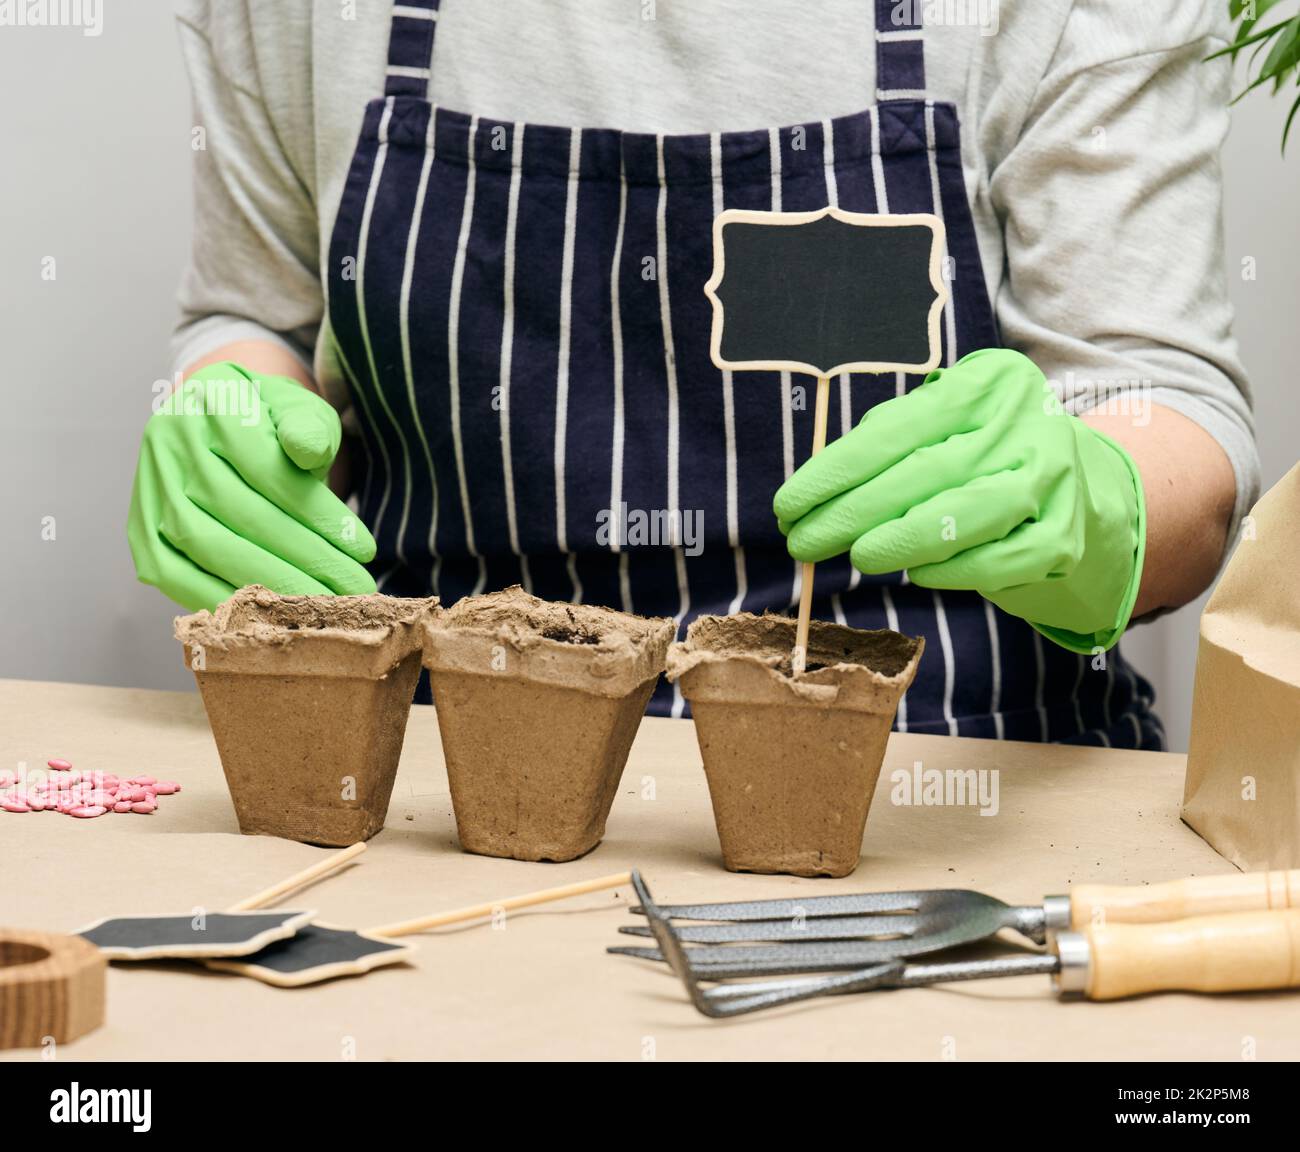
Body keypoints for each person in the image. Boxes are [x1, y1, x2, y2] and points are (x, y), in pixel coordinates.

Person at [129, 0, 1258, 746]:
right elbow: (256, 308)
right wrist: (229, 405)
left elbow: (1169, 417)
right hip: (437, 781)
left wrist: (1091, 500)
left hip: (938, 790)